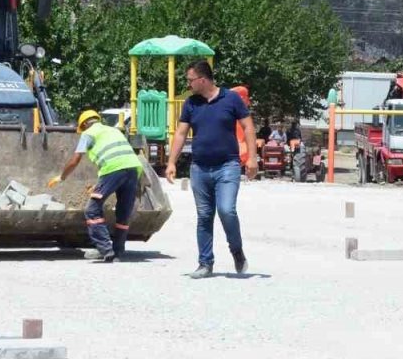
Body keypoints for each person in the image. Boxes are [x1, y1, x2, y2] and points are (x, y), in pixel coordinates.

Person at [165, 60, 258, 279]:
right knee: (204, 216)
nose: (188, 84)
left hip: (228, 166)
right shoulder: (191, 104)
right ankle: (205, 263)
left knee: (226, 210)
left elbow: (248, 126)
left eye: (190, 80)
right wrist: (171, 162)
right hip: (199, 168)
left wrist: (252, 158)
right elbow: (180, 133)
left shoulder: (231, 99)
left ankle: (237, 251)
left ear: (203, 79)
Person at [47, 109, 144, 262]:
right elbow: (115, 156)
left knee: (92, 210)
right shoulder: (113, 130)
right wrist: (100, 185)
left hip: (113, 169)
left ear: (84, 124)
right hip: (133, 169)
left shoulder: (88, 133)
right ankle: (118, 251)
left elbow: (75, 159)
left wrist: (62, 177)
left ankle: (104, 249)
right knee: (123, 212)